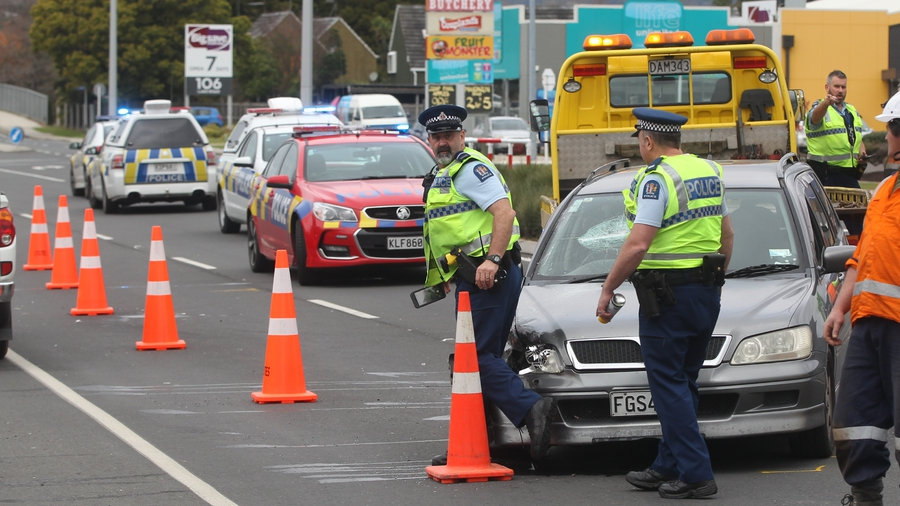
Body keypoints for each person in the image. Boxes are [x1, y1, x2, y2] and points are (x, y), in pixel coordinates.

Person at [596, 107, 734, 499]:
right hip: (705, 290)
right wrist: (715, 284)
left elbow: (639, 243)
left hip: (668, 296)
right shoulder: (709, 171)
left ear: (648, 141)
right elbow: (728, 235)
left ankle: (696, 473)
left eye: (640, 139)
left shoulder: (656, 180)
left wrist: (608, 288)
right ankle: (668, 464)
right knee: (683, 381)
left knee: (668, 384)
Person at [418, 104, 553, 465]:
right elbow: (448, 231)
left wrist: (491, 260)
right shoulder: (441, 174)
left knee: (474, 360)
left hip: (489, 277)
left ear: (462, 136)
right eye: (436, 137)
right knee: (479, 358)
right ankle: (475, 442)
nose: (443, 142)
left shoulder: (471, 169)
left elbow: (504, 212)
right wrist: (444, 279)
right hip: (470, 277)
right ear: (429, 140)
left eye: (449, 135)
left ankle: (533, 409)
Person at [824, 91, 900, 506]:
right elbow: (863, 255)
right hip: (870, 324)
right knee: (854, 423)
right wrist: (840, 307)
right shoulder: (886, 189)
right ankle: (865, 495)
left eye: (889, 127)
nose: (885, 137)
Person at [806, 70, 868, 188]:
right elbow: (814, 119)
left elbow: (856, 136)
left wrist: (862, 152)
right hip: (824, 175)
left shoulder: (851, 110)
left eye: (843, 87)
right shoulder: (820, 107)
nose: (840, 90)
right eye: (836, 86)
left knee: (859, 205)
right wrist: (826, 103)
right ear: (827, 87)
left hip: (849, 174)